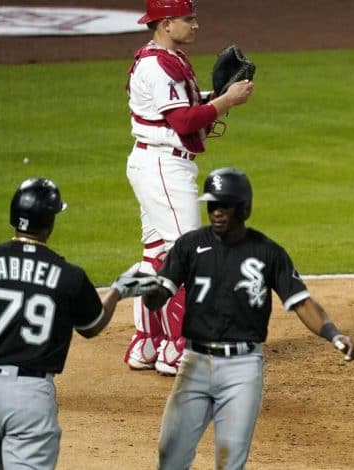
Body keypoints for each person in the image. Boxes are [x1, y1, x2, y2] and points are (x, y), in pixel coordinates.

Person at [142, 167, 354, 469]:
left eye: (225, 206)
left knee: (230, 462)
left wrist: (333, 334)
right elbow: (157, 297)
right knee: (171, 456)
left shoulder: (267, 253)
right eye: (212, 205)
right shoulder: (189, 246)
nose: (217, 213)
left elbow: (301, 302)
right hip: (194, 363)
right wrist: (146, 289)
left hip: (242, 371)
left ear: (244, 208)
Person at [0, 178, 160, 469]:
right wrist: (118, 290)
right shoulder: (68, 274)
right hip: (29, 397)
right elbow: (91, 325)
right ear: (49, 223)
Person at [124, 0, 255, 375]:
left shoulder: (166, 58)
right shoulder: (159, 65)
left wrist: (217, 101)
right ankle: (178, 350)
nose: (195, 25)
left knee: (157, 255)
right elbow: (182, 120)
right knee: (192, 255)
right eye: (188, 19)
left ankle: (147, 343)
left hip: (155, 163)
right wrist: (227, 100)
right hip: (164, 166)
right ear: (166, 24)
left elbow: (188, 107)